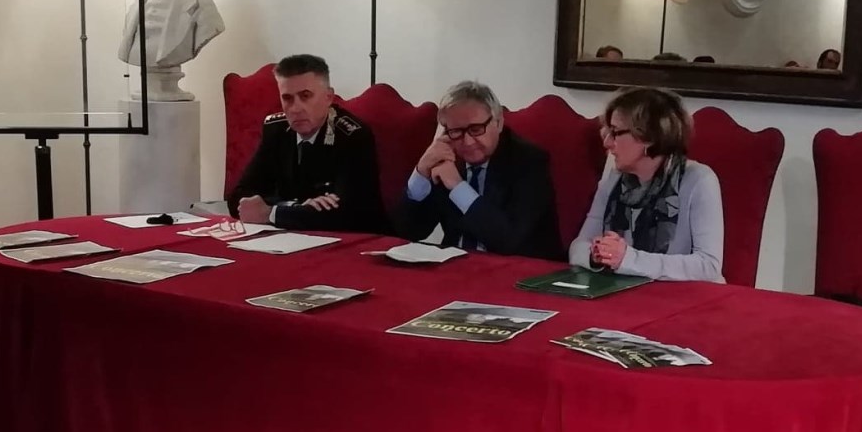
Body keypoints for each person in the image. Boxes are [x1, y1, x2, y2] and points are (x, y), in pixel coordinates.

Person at [570, 86, 724, 282]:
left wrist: (628, 259)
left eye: (615, 133)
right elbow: (578, 247)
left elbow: (708, 266)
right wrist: (598, 255)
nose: (607, 143)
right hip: (628, 292)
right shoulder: (613, 180)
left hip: (690, 296)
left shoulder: (699, 180)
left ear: (648, 137)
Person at [395, 81, 563, 259]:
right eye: (456, 131)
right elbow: (407, 232)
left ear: (498, 123)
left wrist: (458, 187)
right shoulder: (448, 157)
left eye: (476, 129)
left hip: (520, 270)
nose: (467, 142)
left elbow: (508, 241)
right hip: (457, 267)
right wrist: (421, 172)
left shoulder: (530, 162)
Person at [227, 55, 386, 232]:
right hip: (293, 238)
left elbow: (347, 214)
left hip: (359, 240)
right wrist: (294, 207)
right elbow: (239, 199)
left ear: (328, 97)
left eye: (305, 96)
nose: (296, 108)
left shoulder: (352, 136)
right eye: (287, 98)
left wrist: (270, 213)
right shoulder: (276, 130)